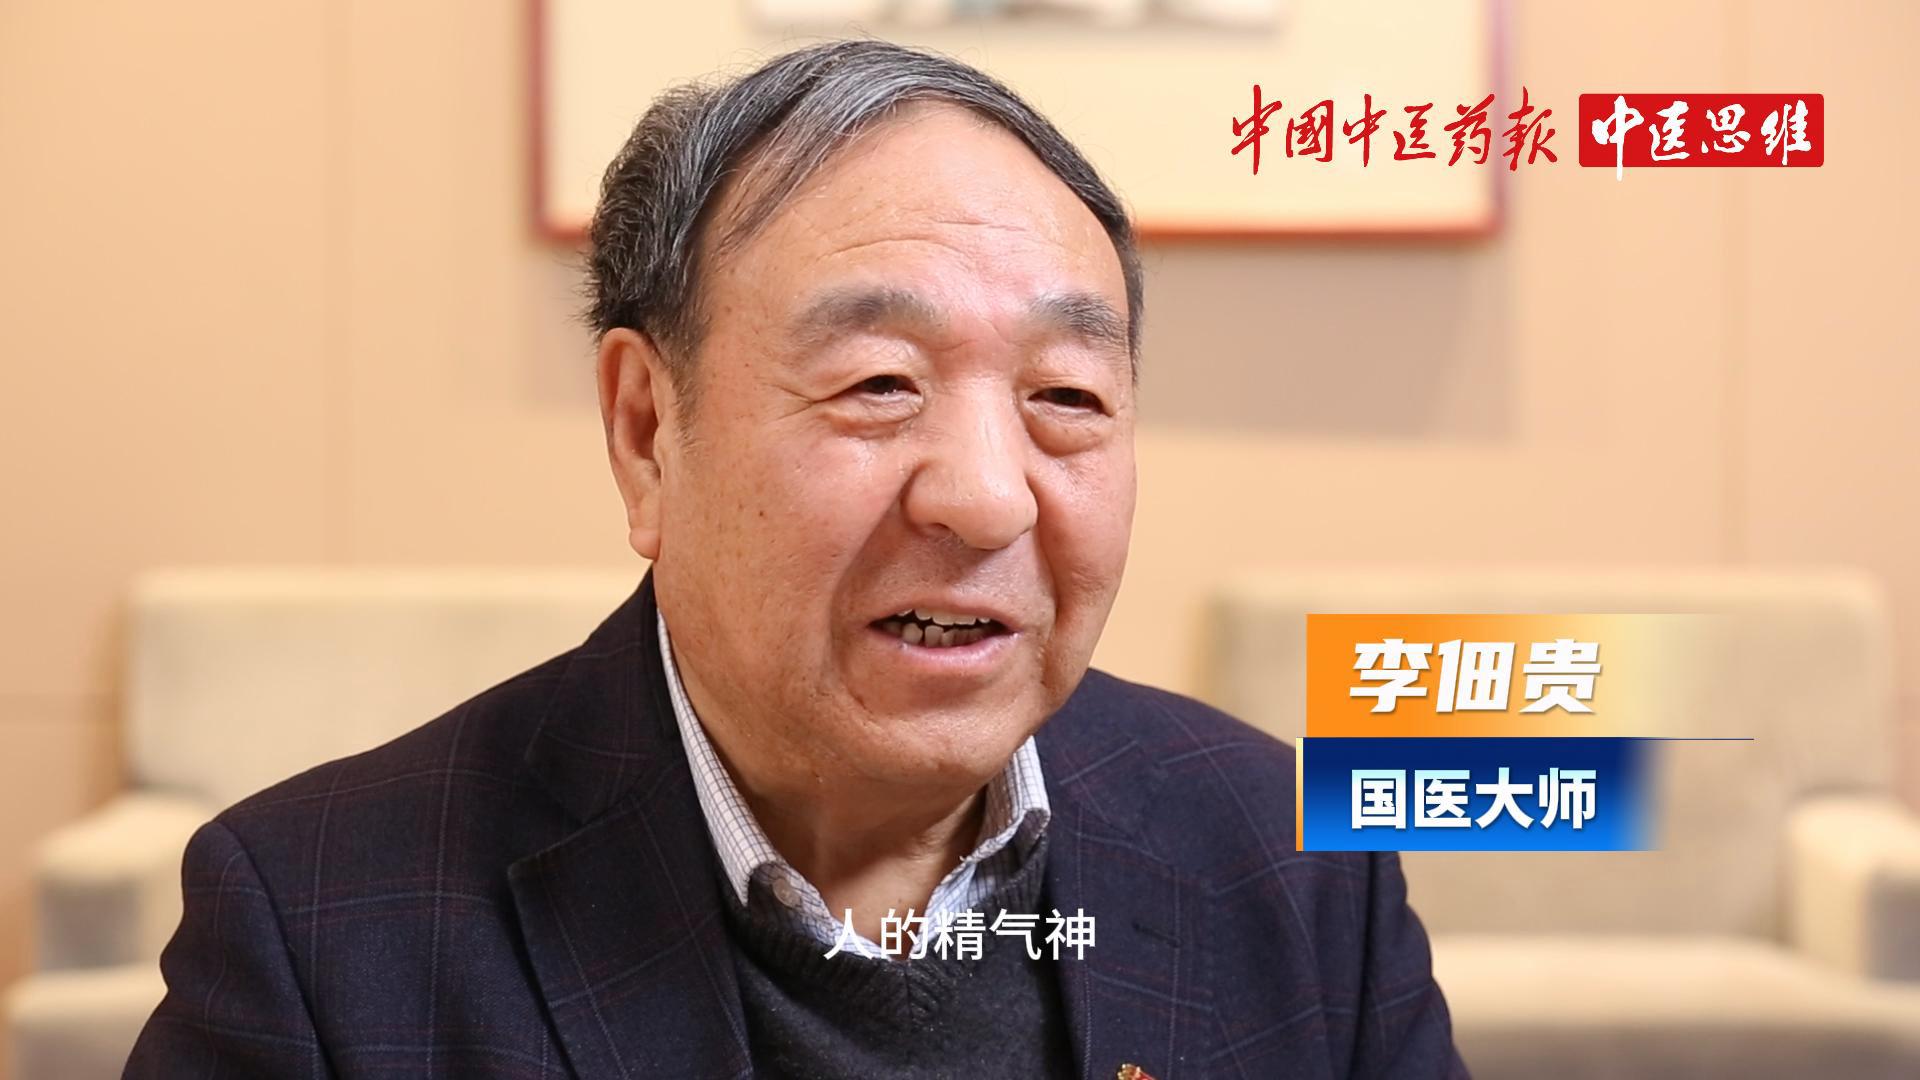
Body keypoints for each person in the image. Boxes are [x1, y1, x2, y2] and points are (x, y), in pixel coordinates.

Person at [126, 39, 1466, 1079]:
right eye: (880, 383)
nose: (985, 497)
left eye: (1066, 396)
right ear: (648, 432)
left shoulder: (1294, 862)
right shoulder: (321, 927)